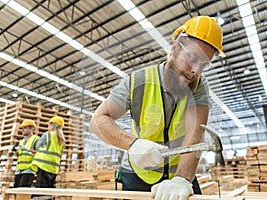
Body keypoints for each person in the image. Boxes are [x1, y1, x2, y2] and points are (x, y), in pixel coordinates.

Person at [90, 16, 225, 200]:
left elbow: (195, 135)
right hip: (137, 174)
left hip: (179, 175)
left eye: (203, 64)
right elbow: (99, 120)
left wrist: (182, 179)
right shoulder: (137, 81)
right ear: (175, 48)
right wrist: (132, 144)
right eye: (192, 58)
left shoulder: (199, 87)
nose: (196, 71)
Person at [31, 116, 65, 189]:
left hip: (44, 166)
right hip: (54, 168)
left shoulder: (47, 134)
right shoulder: (62, 140)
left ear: (52, 125)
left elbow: (37, 146)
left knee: (40, 191)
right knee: (48, 190)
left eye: (49, 124)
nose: (48, 126)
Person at [12, 119, 40, 188]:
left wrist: (27, 149)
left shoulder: (36, 139)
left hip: (28, 170)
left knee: (23, 192)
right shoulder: (21, 141)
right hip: (19, 170)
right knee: (16, 191)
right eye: (22, 128)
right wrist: (15, 151)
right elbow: (19, 155)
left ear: (32, 128)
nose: (23, 130)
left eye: (25, 127)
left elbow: (39, 153)